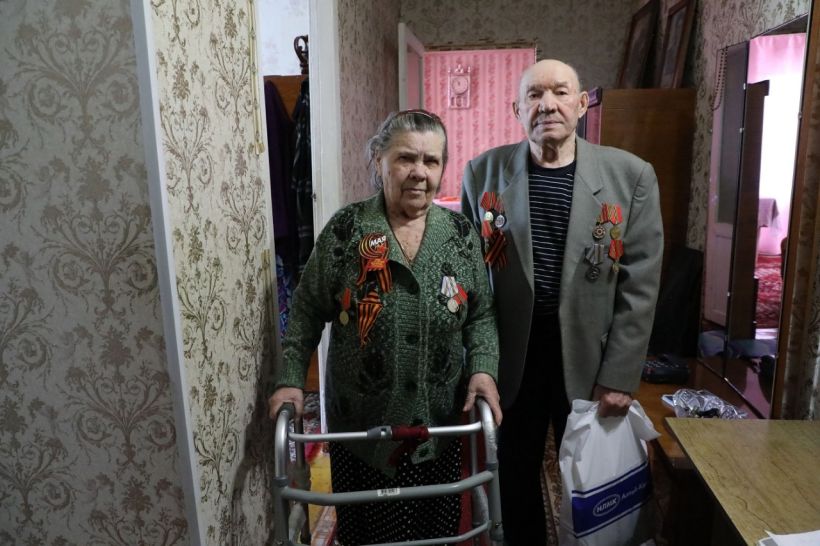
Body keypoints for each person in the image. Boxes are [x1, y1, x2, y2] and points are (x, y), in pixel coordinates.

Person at [269, 109, 502, 545]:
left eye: (431, 161)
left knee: (435, 535)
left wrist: (483, 369)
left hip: (438, 429)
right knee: (368, 536)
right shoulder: (347, 230)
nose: (419, 172)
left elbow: (482, 315)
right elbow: (305, 310)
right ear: (379, 161)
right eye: (405, 158)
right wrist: (290, 380)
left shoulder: (461, 235)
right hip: (362, 434)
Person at [461, 59, 663, 545]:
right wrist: (478, 362)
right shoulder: (482, 173)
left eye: (560, 92)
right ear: (516, 109)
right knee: (513, 473)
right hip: (513, 355)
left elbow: (640, 285)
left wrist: (620, 375)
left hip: (592, 355)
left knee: (595, 477)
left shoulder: (631, 175)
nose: (547, 104)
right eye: (534, 95)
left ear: (582, 103)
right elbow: (471, 277)